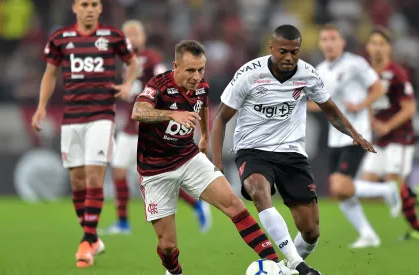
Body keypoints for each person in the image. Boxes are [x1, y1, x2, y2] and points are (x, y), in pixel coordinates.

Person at [211, 24, 375, 273]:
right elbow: (221, 118)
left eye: (294, 52)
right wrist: (218, 164)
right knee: (258, 190)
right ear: (271, 48)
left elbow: (331, 110)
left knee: (311, 231)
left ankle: (287, 268)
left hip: (292, 153)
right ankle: (298, 265)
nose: (288, 58)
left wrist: (355, 134)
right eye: (283, 52)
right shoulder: (249, 74)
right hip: (252, 150)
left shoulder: (307, 74)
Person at [132, 40, 298, 275]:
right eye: (190, 70)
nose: (196, 76)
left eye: (200, 69)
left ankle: (276, 265)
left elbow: (203, 106)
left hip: (188, 158)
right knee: (167, 247)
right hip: (155, 170)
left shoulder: (202, 86)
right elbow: (137, 112)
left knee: (235, 206)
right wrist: (172, 114)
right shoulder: (158, 85)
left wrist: (206, 136)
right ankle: (174, 271)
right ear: (175, 66)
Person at [31, 0, 139, 268]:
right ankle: (94, 240)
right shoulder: (60, 39)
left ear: (100, 9)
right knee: (77, 183)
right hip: (71, 119)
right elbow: (50, 73)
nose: (89, 8)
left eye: (94, 4)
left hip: (101, 116)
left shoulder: (112, 36)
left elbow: (132, 61)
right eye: (84, 4)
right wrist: (41, 106)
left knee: (94, 176)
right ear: (75, 8)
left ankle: (87, 239)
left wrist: (127, 84)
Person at [102, 20, 211, 235]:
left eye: (135, 34)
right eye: (127, 35)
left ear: (143, 37)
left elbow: (165, 85)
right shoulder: (126, 62)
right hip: (130, 126)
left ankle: (197, 204)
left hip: (147, 126)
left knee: (159, 177)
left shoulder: (152, 60)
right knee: (119, 171)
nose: (131, 39)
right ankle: (123, 223)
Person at [308, 24, 401, 248]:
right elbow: (321, 105)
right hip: (335, 136)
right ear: (320, 44)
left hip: (356, 133)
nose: (329, 43)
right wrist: (297, 105)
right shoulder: (320, 69)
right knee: (339, 190)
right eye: (324, 39)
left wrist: (361, 105)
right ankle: (368, 234)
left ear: (342, 42)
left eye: (333, 38)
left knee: (340, 186)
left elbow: (378, 88)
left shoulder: (355, 64)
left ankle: (388, 190)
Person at [359, 26, 419, 241]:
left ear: (389, 48)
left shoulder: (396, 73)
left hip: (400, 137)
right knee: (368, 181)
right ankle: (416, 193)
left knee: (393, 181)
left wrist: (387, 126)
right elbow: (369, 103)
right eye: (374, 43)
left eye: (382, 43)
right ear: (368, 47)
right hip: (380, 138)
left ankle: (418, 231)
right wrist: (371, 121)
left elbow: (410, 107)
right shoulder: (366, 74)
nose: (377, 48)